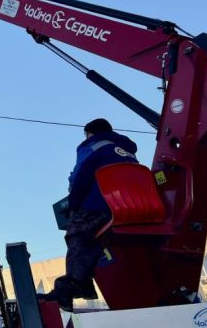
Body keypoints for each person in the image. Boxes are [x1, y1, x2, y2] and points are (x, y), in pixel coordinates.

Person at [38, 118, 139, 311]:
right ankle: (86, 280)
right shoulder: (127, 150)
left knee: (77, 233)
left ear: (90, 133)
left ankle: (72, 287)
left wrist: (73, 203)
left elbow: (81, 177)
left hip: (102, 207)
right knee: (96, 240)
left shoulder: (93, 146)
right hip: (134, 208)